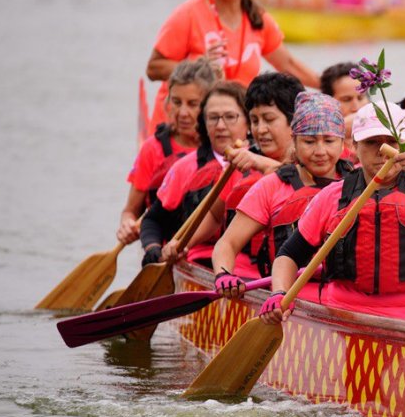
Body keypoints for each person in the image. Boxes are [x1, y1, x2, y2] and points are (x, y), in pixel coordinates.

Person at [259, 103, 405, 325]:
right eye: (372, 142)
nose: (382, 151)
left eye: (391, 142)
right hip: (345, 315)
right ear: (354, 146)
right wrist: (279, 292)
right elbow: (289, 254)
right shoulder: (332, 196)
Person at [144, 0, 321, 132]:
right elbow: (154, 68)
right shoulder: (187, 15)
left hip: (228, 127)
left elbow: (288, 65)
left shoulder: (258, 18)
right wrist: (199, 66)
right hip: (181, 128)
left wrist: (330, 86)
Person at [212, 91, 352, 293]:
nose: (320, 151)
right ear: (294, 142)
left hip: (342, 296)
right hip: (284, 293)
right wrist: (223, 274)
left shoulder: (359, 183)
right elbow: (228, 243)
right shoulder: (271, 186)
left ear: (342, 143)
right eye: (309, 142)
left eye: (329, 141)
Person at [181, 72, 307, 260]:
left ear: (295, 120)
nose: (260, 129)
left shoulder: (319, 158)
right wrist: (182, 244)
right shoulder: (241, 166)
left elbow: (310, 190)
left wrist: (264, 164)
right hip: (252, 271)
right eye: (255, 121)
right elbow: (215, 216)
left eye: (269, 119)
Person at [139, 81, 253, 266]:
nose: (220, 125)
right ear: (204, 123)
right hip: (197, 260)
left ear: (248, 122)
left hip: (249, 269)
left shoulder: (263, 165)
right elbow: (152, 219)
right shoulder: (184, 168)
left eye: (230, 117)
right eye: (213, 118)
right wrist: (153, 248)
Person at [117, 58, 217, 244]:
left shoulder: (219, 147)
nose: (183, 112)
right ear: (168, 101)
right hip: (162, 245)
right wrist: (127, 225)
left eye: (193, 104)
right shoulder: (152, 149)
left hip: (207, 248)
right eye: (177, 102)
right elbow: (131, 210)